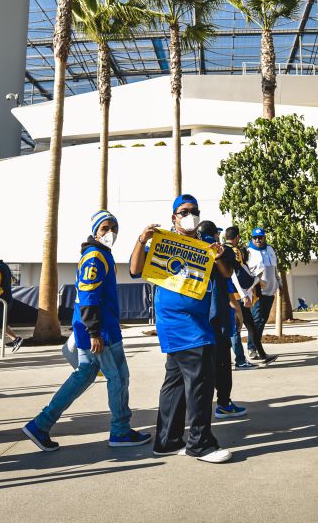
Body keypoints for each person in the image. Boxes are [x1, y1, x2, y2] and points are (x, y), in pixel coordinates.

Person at [22, 210, 151, 451]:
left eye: (114, 228)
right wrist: (95, 333)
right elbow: (89, 297)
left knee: (83, 376)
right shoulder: (95, 256)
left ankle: (41, 424)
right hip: (101, 331)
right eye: (105, 228)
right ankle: (120, 431)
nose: (110, 232)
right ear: (95, 231)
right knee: (119, 378)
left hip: (91, 330)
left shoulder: (99, 255)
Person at [128, 194, 233, 463]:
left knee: (174, 385)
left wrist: (220, 256)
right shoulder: (163, 243)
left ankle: (167, 441)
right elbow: (135, 268)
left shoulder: (205, 245)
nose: (190, 215)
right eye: (184, 211)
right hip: (180, 324)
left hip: (197, 322)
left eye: (194, 211)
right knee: (200, 383)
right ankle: (200, 444)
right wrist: (143, 239)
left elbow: (226, 273)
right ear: (174, 216)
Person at [198, 220, 248, 420]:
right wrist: (237, 309)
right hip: (217, 317)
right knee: (222, 363)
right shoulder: (221, 252)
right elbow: (229, 279)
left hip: (199, 319)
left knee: (200, 366)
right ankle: (224, 403)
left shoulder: (192, 251)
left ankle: (199, 406)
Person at [226, 226, 273, 365]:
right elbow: (234, 274)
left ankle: (261, 354)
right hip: (237, 296)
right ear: (237, 237)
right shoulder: (233, 252)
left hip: (234, 295)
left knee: (249, 326)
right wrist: (245, 293)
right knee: (238, 328)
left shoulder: (224, 249)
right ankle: (240, 360)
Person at [245, 227, 280, 362]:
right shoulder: (249, 251)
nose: (258, 240)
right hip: (257, 292)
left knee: (262, 320)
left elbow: (275, 268)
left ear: (264, 237)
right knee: (256, 321)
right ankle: (252, 348)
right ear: (252, 238)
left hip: (270, 291)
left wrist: (279, 282)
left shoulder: (270, 249)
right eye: (255, 238)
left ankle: (255, 346)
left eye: (260, 237)